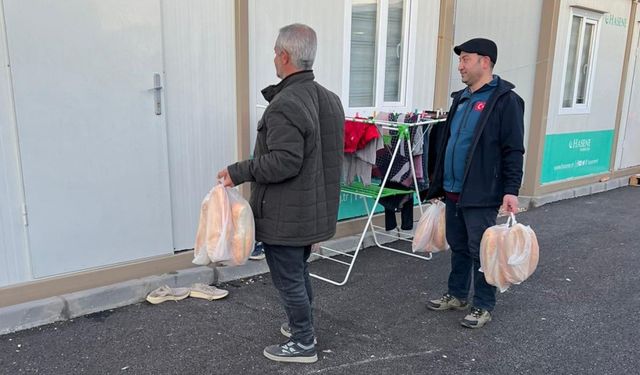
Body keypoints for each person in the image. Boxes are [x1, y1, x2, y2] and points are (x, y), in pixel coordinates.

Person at [217, 23, 344, 363]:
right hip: (312, 211)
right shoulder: (329, 100)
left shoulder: (286, 102)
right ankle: (303, 325)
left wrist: (237, 171)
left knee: (288, 278)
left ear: (285, 56)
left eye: (275, 52)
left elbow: (285, 161)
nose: (274, 57)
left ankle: (303, 342)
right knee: (298, 272)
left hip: (288, 214)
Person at [425, 38, 525, 328]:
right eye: (460, 60)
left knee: (483, 249)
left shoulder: (505, 101)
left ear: (485, 61)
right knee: (458, 245)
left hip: (482, 191)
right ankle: (456, 294)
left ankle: (483, 304)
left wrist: (511, 190)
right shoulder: (461, 98)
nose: (460, 66)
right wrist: (438, 185)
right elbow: (448, 142)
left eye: (465, 59)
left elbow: (513, 149)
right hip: (454, 189)